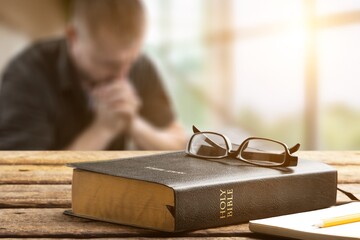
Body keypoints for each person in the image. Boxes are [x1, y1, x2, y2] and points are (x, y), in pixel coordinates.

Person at [0, 0, 187, 150]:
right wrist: (102, 129)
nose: (122, 75)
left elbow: (178, 144)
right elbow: (25, 177)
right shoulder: (26, 76)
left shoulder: (140, 67)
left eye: (130, 61)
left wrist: (133, 125)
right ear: (73, 36)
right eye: (109, 64)